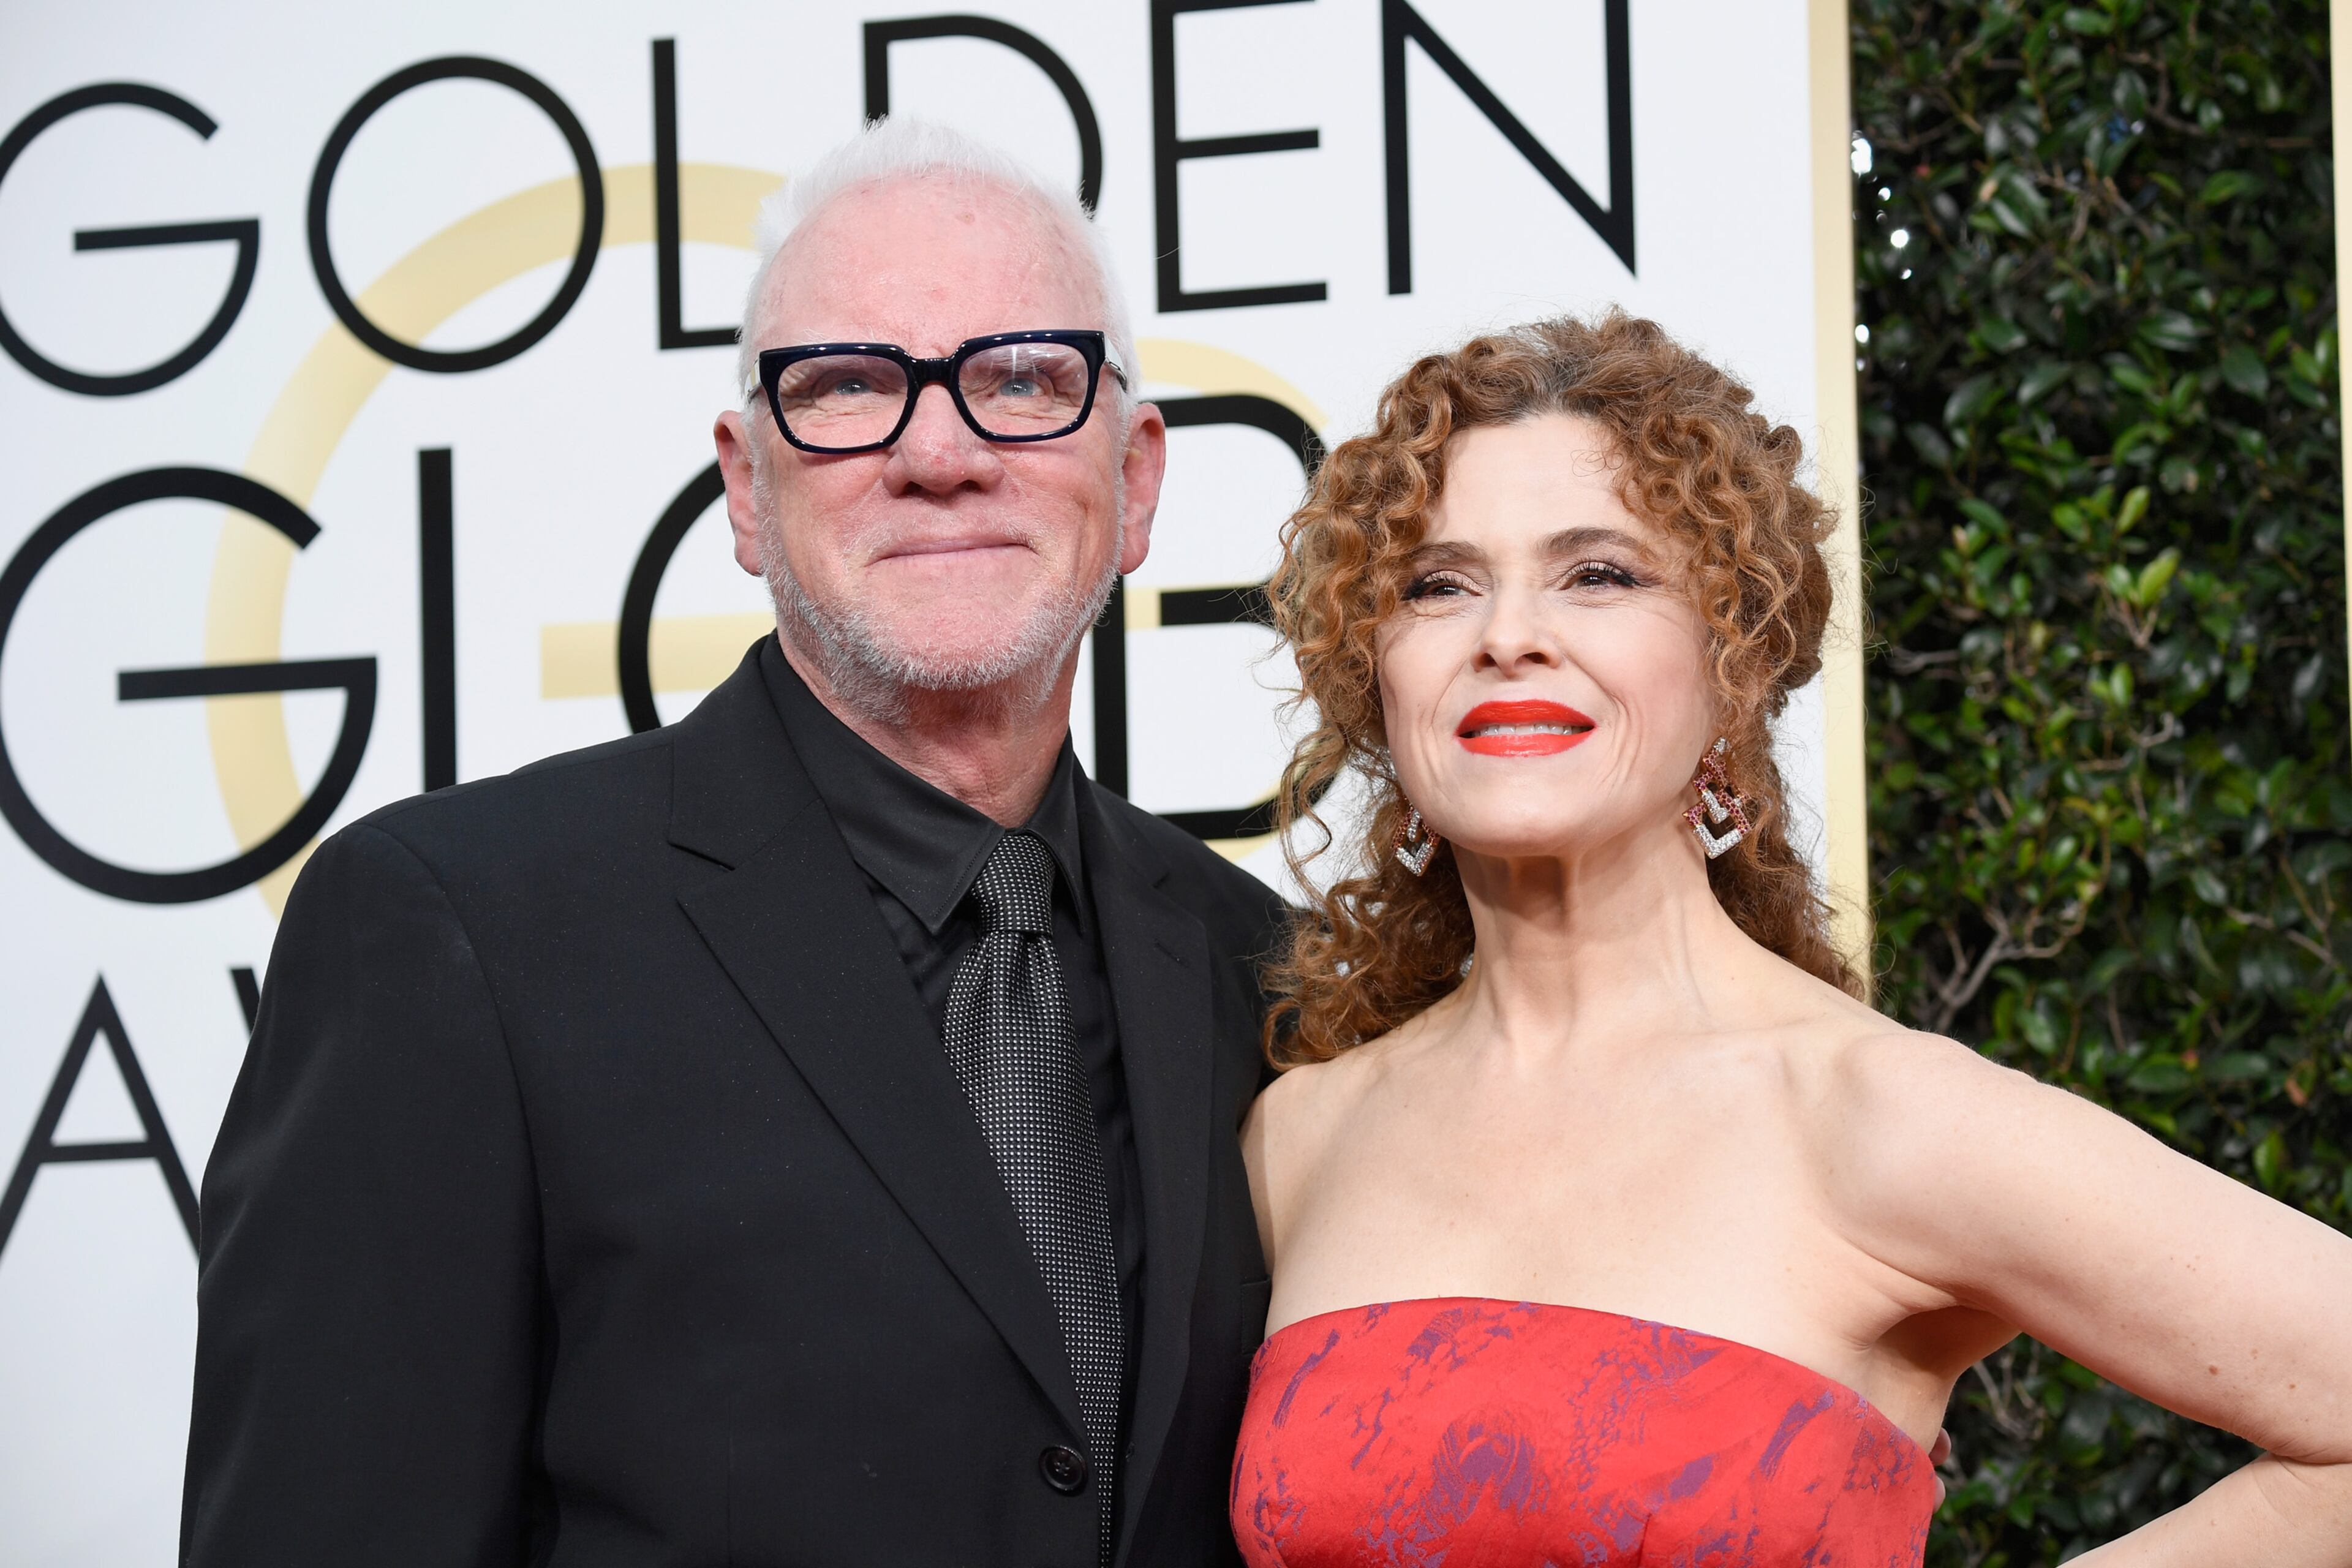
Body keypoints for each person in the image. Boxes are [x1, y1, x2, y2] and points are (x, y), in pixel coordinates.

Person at [182, 120, 1283, 1568]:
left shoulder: (1259, 969)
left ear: (1135, 478)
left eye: (1022, 378)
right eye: (846, 387)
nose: (939, 453)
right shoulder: (456, 931)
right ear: (748, 490)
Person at [1229, 314, 2352, 1564]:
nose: (1507, 633)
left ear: (1738, 659)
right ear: (1374, 671)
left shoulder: (1876, 1114)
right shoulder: (1301, 1137)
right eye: (1437, 582)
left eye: (1599, 572)